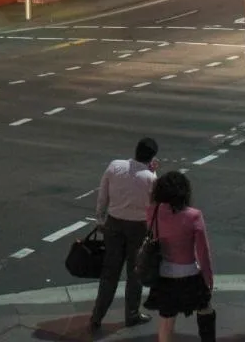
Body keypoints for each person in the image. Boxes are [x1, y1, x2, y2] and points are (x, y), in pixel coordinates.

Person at [90, 137, 159, 332]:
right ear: (152, 157)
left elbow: (103, 195)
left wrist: (100, 219)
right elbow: (153, 204)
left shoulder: (115, 166)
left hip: (114, 223)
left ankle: (97, 315)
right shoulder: (150, 178)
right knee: (135, 273)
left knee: (109, 274)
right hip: (138, 227)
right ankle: (132, 314)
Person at [143, 171, 215, 342]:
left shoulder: (152, 212)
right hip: (189, 274)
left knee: (167, 319)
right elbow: (203, 252)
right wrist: (208, 278)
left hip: (165, 274)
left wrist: (153, 172)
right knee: (205, 309)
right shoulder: (193, 216)